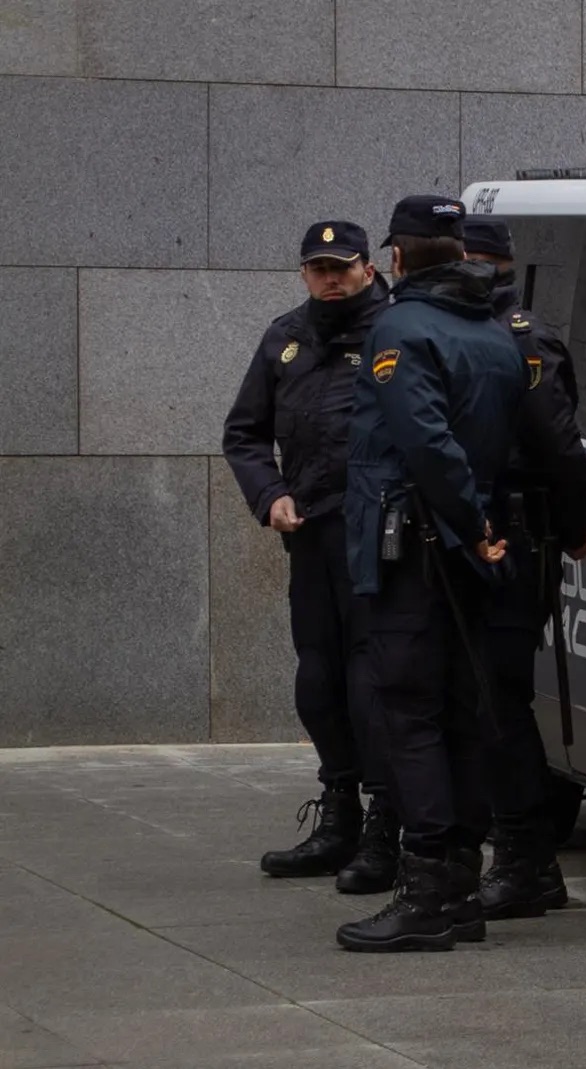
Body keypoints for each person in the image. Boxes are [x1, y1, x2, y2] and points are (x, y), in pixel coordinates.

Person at [335, 194, 528, 953]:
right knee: (459, 713)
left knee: (410, 715)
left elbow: (425, 440)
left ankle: (424, 894)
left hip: (416, 549)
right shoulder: (494, 332)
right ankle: (457, 891)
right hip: (467, 551)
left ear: (401, 255)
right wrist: (480, 529)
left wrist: (468, 523)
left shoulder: (400, 328)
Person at [221, 219, 400, 895]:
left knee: (372, 684)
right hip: (313, 538)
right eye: (317, 268)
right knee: (319, 681)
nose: (330, 278)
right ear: (302, 272)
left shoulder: (395, 332)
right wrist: (269, 495)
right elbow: (243, 433)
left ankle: (388, 824)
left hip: (381, 540)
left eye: (342, 267)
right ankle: (339, 812)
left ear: (368, 266)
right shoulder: (286, 338)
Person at [460, 216, 586, 920]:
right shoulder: (457, 330)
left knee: (498, 702)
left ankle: (526, 858)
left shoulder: (523, 340)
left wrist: (573, 529)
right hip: (477, 537)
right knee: (482, 701)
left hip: (514, 542)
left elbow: (561, 449)